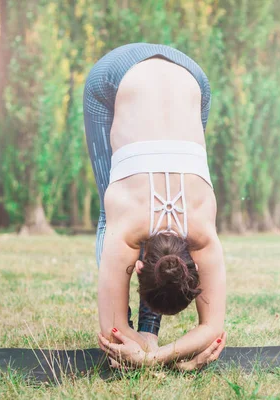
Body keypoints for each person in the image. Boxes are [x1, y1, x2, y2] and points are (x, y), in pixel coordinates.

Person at [83, 43, 226, 370]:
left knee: (114, 214)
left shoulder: (201, 229)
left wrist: (150, 356)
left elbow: (213, 330)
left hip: (192, 74)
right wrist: (159, 354)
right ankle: (147, 329)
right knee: (109, 215)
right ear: (139, 268)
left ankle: (148, 330)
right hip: (114, 76)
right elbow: (112, 335)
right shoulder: (128, 226)